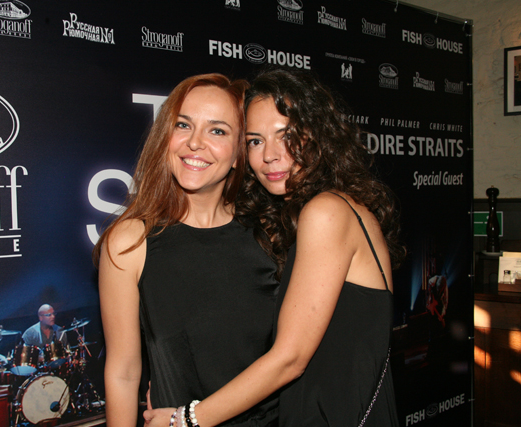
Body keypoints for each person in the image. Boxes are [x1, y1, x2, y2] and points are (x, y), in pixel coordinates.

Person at [144, 68, 406, 426]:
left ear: (319, 134)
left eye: (287, 136)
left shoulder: (326, 212)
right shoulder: (313, 214)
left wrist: (184, 419)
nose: (269, 155)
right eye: (255, 141)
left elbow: (290, 359)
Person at [94, 73, 279, 427]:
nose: (195, 142)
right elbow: (123, 372)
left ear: (240, 153)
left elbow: (292, 359)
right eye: (183, 125)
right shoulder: (130, 242)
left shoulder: (270, 235)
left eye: (217, 131)